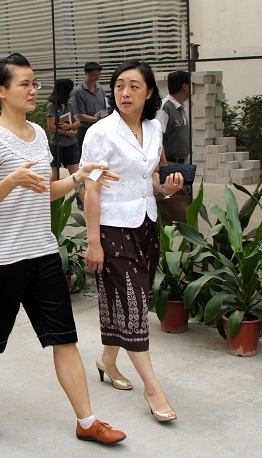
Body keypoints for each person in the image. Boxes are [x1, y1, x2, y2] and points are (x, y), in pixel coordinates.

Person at [0, 53, 126, 445]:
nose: (34, 90)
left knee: (64, 339)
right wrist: (11, 181)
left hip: (43, 254)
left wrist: (80, 176)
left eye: (35, 82)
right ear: (1, 91)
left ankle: (87, 421)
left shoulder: (38, 133)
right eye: (24, 83)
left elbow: (46, 192)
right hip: (2, 260)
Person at [82, 60, 184, 424]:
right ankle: (153, 388)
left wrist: (166, 189)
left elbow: (149, 178)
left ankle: (107, 360)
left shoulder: (154, 128)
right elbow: (91, 190)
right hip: (112, 228)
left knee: (131, 301)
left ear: (149, 92)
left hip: (146, 225)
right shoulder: (101, 133)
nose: (125, 93)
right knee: (134, 305)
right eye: (120, 86)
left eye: (134, 86)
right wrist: (94, 242)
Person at [155, 70, 193, 225]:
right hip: (170, 164)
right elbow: (158, 137)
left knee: (184, 203)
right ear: (185, 86)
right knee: (171, 206)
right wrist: (164, 164)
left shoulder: (181, 108)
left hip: (182, 164)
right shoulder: (165, 107)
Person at [74, 62, 107, 210]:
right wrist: (98, 120)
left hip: (101, 130)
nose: (97, 77)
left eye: (99, 74)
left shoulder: (100, 89)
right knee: (86, 164)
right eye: (94, 75)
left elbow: (105, 108)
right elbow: (80, 115)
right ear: (86, 74)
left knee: (101, 162)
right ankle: (82, 199)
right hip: (86, 130)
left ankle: (98, 194)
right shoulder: (79, 91)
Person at [46, 78, 81, 181]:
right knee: (55, 177)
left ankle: (80, 192)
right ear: (65, 90)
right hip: (56, 145)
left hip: (70, 145)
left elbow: (78, 122)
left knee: (76, 177)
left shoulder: (69, 105)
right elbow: (51, 126)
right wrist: (65, 132)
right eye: (71, 89)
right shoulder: (52, 106)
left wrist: (69, 127)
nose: (72, 91)